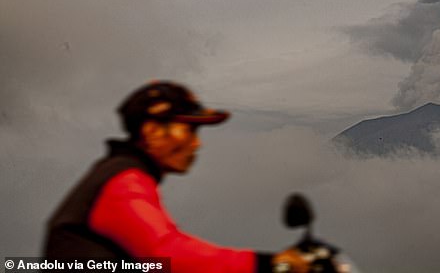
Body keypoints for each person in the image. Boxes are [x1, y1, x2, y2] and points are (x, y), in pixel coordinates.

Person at [43, 81, 311, 273]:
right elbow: (166, 254)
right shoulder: (125, 181)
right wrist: (269, 264)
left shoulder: (120, 173)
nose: (197, 145)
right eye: (190, 131)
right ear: (152, 131)